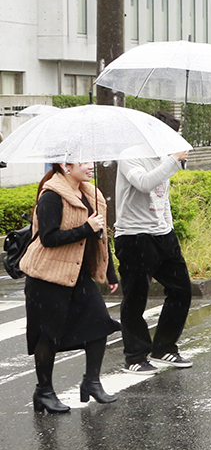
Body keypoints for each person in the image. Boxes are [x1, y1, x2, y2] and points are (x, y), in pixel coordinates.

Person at [19, 160, 120, 413]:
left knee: (99, 325)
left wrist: (109, 272)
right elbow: (48, 238)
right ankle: (44, 392)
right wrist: (86, 228)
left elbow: (99, 236)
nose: (89, 166)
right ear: (66, 165)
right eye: (83, 162)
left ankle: (92, 382)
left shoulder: (90, 193)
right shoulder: (51, 196)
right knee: (48, 335)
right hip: (47, 276)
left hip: (78, 274)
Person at [114, 113, 194, 375]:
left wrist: (167, 226)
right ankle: (135, 356)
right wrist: (173, 160)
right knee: (136, 298)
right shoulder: (130, 155)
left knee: (181, 290)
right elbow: (145, 183)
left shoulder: (165, 157)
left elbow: (162, 198)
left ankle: (164, 347)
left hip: (163, 235)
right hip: (134, 237)